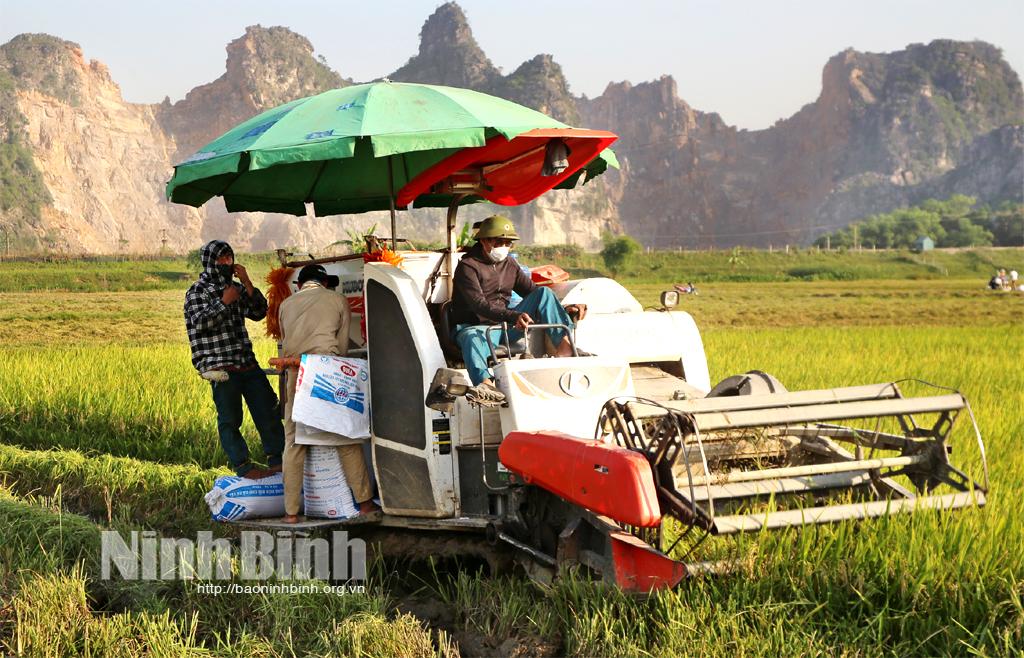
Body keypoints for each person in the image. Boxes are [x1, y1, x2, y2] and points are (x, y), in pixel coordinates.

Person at [277, 264, 379, 523]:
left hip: (295, 373)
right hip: (325, 370)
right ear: (324, 283)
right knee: (345, 437)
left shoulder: (285, 305)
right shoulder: (336, 300)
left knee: (294, 443)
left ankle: (290, 513)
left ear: (300, 285)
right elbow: (342, 345)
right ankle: (366, 504)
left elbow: (285, 339)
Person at [184, 240, 284, 479]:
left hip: (245, 361)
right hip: (220, 366)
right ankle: (244, 467)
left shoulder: (236, 287)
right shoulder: (198, 290)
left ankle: (278, 460)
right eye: (221, 259)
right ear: (210, 262)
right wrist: (223, 302)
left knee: (267, 409)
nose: (226, 263)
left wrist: (247, 283)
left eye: (229, 258)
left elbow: (259, 312)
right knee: (230, 419)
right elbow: (200, 323)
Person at [450, 215, 586, 387]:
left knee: (544, 292)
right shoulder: (468, 267)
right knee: (471, 338)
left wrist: (565, 307)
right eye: (499, 242)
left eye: (508, 243)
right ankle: (485, 385)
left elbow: (533, 292)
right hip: (477, 327)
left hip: (505, 326)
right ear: (484, 241)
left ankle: (565, 348)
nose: (504, 247)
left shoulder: (510, 264)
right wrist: (514, 316)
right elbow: (479, 305)